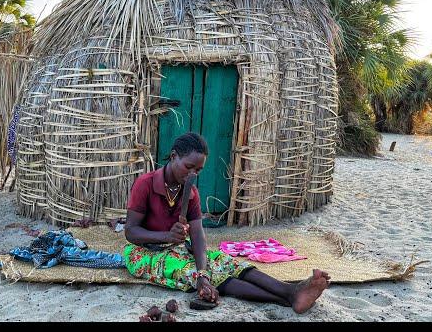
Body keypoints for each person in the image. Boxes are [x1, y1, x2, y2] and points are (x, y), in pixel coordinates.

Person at [123, 132, 331, 313]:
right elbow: (131, 232)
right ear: (173, 156)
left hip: (177, 248)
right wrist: (166, 237)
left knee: (226, 262)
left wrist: (202, 271)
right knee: (188, 270)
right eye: (188, 167)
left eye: (199, 170)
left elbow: (197, 236)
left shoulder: (191, 192)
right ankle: (286, 299)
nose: (193, 174)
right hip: (144, 252)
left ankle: (289, 290)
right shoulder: (146, 184)